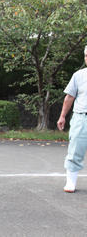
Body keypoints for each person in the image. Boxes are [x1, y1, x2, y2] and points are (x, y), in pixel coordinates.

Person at [57, 45, 87, 193]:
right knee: (75, 150)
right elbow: (69, 97)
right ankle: (71, 182)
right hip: (82, 117)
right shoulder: (79, 75)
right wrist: (62, 116)